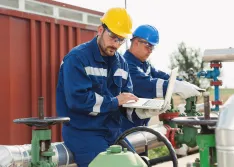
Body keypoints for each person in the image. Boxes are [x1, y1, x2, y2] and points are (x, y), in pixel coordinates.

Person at [56, 7, 139, 167]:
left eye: (121, 40)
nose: (116, 44)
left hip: (113, 132)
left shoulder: (121, 63)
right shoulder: (77, 58)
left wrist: (139, 108)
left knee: (137, 163)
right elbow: (78, 100)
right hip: (84, 133)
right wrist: (115, 101)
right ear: (100, 30)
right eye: (113, 37)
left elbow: (125, 97)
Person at [122, 24, 201, 130]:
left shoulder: (144, 65)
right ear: (136, 42)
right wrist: (175, 87)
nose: (150, 50)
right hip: (123, 127)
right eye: (148, 46)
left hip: (139, 125)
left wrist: (182, 83)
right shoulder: (125, 64)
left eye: (152, 47)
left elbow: (161, 76)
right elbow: (145, 84)